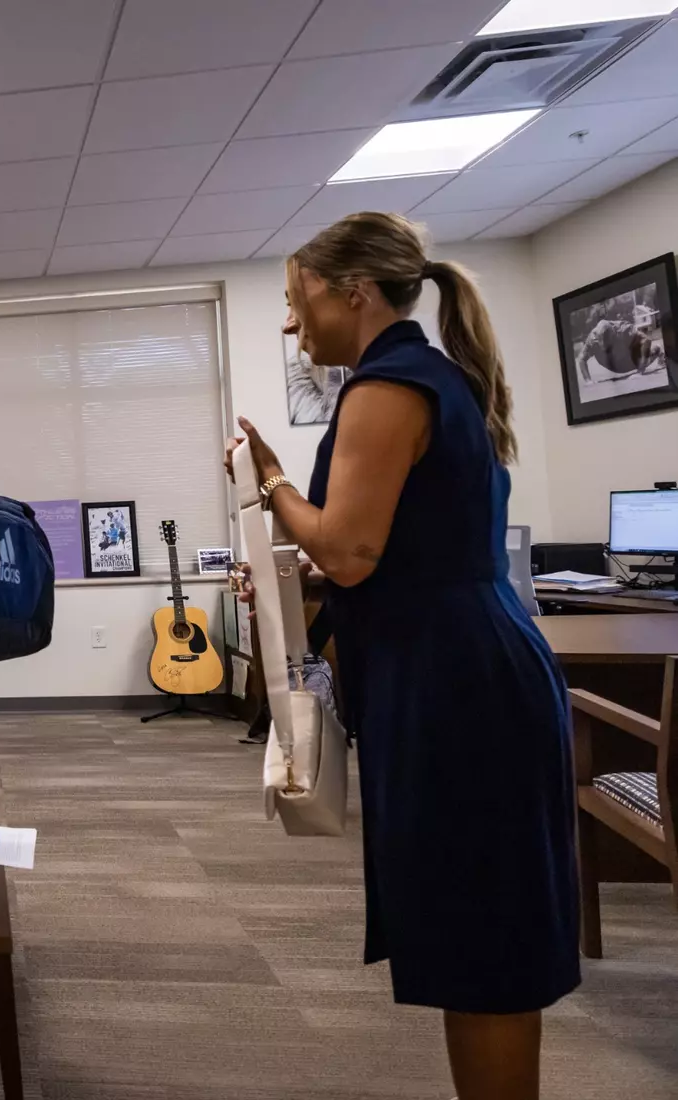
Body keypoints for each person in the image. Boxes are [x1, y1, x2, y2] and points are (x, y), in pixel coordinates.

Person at [227, 212, 578, 1100]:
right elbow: (382, 552)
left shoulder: (388, 387)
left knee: (487, 947)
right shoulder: (423, 378)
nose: (289, 321)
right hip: (458, 669)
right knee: (475, 938)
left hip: (459, 688)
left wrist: (270, 480)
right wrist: (296, 575)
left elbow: (348, 550)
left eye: (296, 298)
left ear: (355, 291)